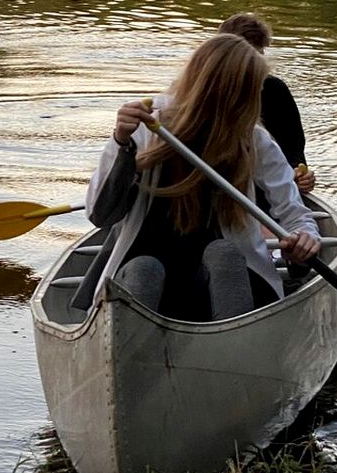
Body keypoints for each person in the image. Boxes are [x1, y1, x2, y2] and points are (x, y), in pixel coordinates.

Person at [82, 33, 321, 321]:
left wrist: (305, 239)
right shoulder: (147, 126)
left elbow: (296, 215)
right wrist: (121, 142)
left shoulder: (254, 140)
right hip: (152, 280)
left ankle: (235, 343)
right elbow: (99, 215)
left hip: (229, 285)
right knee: (144, 268)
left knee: (223, 254)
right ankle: (132, 345)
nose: (253, 103)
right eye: (249, 91)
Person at [218, 12, 315, 194]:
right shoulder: (204, 92)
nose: (255, 66)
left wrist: (298, 174)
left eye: (259, 55)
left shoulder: (274, 90)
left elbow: (293, 148)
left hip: (264, 187)